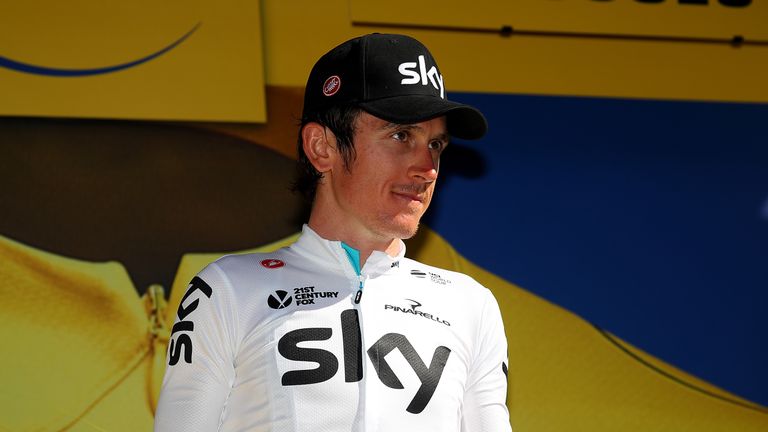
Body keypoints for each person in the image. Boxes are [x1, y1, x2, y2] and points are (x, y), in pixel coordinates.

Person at [154, 33, 511, 432]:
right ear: (322, 146)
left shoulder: (470, 305)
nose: (426, 168)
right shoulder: (227, 290)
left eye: (436, 144)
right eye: (401, 136)